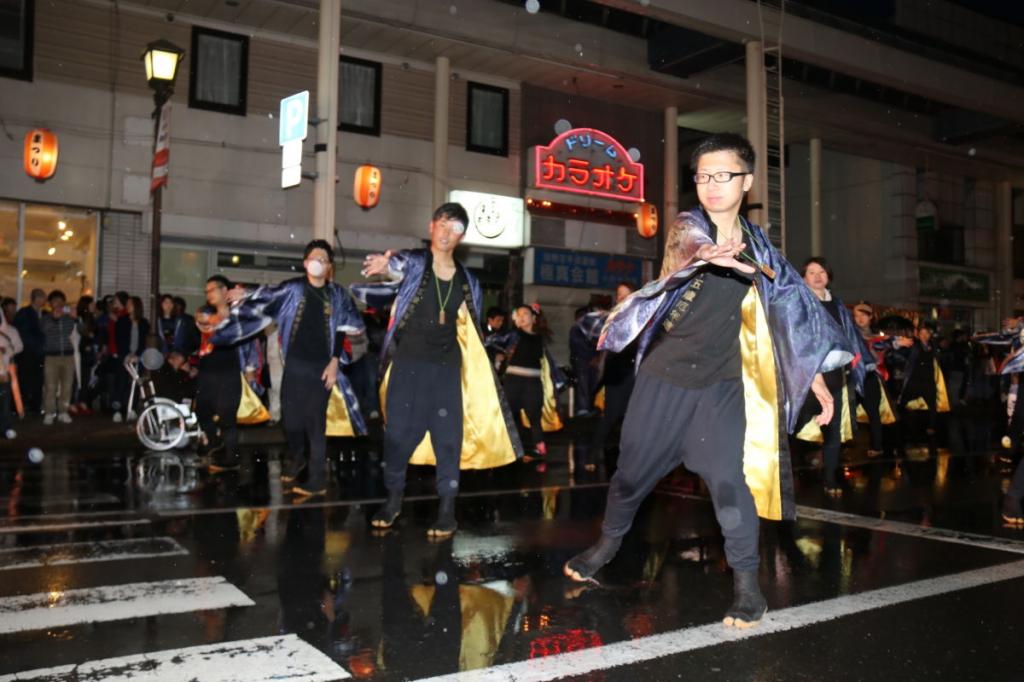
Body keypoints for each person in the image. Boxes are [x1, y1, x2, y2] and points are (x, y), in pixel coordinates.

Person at [562, 133, 852, 629]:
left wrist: (818, 376)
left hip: (721, 384)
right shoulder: (686, 227)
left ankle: (746, 585)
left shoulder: (760, 246)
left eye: (724, 175)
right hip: (663, 377)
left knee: (728, 480)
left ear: (748, 182)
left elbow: (792, 313)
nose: (713, 185)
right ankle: (607, 543)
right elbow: (687, 246)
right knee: (630, 478)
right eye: (703, 176)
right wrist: (709, 255)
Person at [358, 203, 524, 537]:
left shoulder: (468, 281)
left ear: (462, 236)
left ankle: (447, 510)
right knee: (397, 439)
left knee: (449, 441)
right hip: (408, 366)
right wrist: (385, 264)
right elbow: (399, 265)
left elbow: (473, 330)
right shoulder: (417, 263)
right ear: (432, 226)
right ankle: (393, 501)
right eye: (444, 224)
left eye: (457, 228)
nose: (448, 233)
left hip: (447, 370)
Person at [218, 240, 366, 499]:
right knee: (291, 422)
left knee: (315, 424)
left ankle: (317, 480)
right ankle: (298, 457)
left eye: (323, 257)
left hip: (322, 368)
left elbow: (346, 329)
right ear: (305, 263)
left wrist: (335, 363)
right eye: (313, 257)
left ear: (329, 266)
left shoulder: (338, 295)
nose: (317, 261)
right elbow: (269, 293)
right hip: (295, 365)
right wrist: (246, 293)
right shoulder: (294, 289)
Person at [795, 258, 860, 497]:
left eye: (821, 271)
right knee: (794, 425)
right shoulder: (798, 303)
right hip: (805, 376)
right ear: (803, 278)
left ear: (828, 276)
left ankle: (830, 479)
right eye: (811, 272)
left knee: (833, 431)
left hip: (835, 376)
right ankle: (786, 478)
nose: (817, 276)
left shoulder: (839, 306)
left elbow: (850, 338)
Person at [195, 276, 263, 472]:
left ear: (225, 290)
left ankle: (232, 457)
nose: (208, 294)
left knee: (227, 416)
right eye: (206, 291)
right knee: (202, 411)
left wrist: (250, 372)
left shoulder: (242, 315)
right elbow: (205, 321)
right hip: (208, 369)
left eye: (212, 290)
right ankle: (215, 441)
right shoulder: (205, 311)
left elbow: (251, 344)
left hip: (230, 370)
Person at [488, 304, 564, 459]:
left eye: (525, 314)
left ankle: (540, 448)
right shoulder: (513, 334)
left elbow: (549, 362)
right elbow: (489, 341)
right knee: (505, 414)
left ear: (534, 318)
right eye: (519, 314)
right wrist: (496, 355)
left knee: (534, 417)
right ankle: (500, 447)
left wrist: (558, 380)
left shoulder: (540, 338)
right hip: (513, 381)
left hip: (533, 383)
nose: (521, 317)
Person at [589, 282, 639, 465]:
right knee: (611, 417)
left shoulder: (644, 315)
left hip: (637, 376)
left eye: (626, 294)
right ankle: (592, 455)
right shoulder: (612, 318)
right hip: (617, 376)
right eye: (619, 294)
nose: (622, 298)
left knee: (634, 418)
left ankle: (630, 459)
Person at [851, 301, 894, 457]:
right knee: (845, 413)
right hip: (852, 378)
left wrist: (892, 344)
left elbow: (885, 353)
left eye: (864, 315)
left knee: (873, 414)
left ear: (870, 317)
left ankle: (877, 446)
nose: (860, 319)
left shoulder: (878, 337)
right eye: (856, 315)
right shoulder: (851, 333)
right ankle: (837, 445)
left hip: (869, 378)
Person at [40, 290, 78, 425]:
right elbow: (45, 330)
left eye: (61, 301)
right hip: (51, 357)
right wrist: (55, 318)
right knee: (50, 386)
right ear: (50, 303)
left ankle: (63, 412)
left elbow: (81, 330)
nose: (58, 304)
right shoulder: (45, 318)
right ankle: (49, 413)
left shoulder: (69, 318)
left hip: (68, 356)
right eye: (55, 301)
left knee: (67, 386)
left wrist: (76, 317)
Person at [112, 296, 149, 422]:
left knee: (134, 383)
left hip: (137, 358)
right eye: (127, 304)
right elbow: (119, 340)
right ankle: (117, 410)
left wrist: (137, 355)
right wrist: (127, 355)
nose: (127, 306)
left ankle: (131, 408)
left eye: (130, 304)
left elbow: (144, 342)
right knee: (121, 383)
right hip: (124, 357)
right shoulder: (121, 321)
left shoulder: (144, 323)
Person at [13, 288, 46, 415]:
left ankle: (34, 406)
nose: (44, 301)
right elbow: (22, 332)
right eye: (43, 298)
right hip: (28, 352)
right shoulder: (25, 313)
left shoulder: (41, 313)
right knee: (25, 380)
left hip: (37, 352)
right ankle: (23, 405)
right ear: (37, 298)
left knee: (37, 380)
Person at [569, 305, 599, 417]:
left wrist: (596, 357)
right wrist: (592, 357)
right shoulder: (575, 329)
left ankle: (588, 406)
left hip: (590, 361)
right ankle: (583, 408)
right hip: (581, 361)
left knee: (591, 384)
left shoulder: (589, 329)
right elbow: (579, 346)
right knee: (583, 384)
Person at [0, 311, 23, 439]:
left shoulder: (11, 331)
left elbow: (19, 346)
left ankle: (5, 429)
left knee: (4, 403)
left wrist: (7, 351)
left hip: (5, 373)